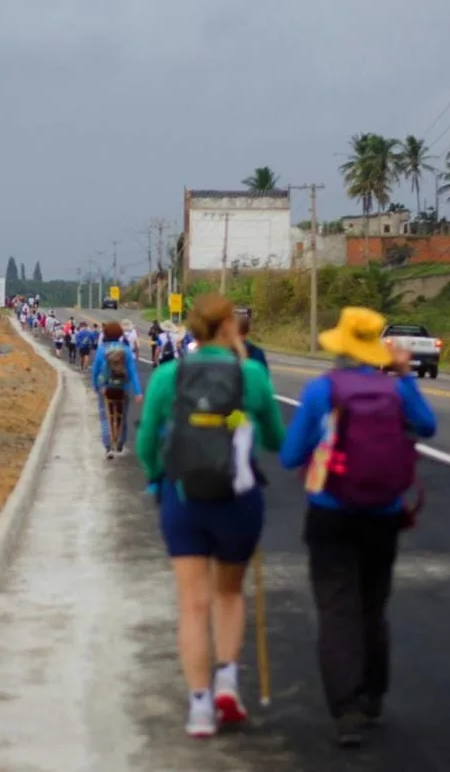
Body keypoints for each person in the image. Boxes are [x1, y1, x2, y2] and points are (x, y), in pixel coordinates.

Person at [279, 306, 436, 748]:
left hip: (330, 512)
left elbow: (291, 455)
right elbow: (427, 425)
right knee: (372, 604)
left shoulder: (321, 391)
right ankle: (373, 698)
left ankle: (346, 709)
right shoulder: (394, 390)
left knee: (337, 608)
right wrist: (404, 375)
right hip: (384, 514)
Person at [135, 293, 286, 738]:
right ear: (229, 329)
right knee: (229, 594)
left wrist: (156, 478)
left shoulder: (169, 375)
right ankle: (227, 682)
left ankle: (199, 707)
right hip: (237, 499)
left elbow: (146, 441)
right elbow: (276, 439)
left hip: (183, 497)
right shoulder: (252, 374)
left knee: (192, 604)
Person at [92, 321, 143, 458]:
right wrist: (138, 392)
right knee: (122, 415)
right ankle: (120, 443)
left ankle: (108, 446)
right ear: (120, 334)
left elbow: (95, 371)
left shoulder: (102, 349)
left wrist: (96, 386)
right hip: (123, 387)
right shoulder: (125, 349)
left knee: (105, 416)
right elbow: (132, 372)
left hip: (106, 387)